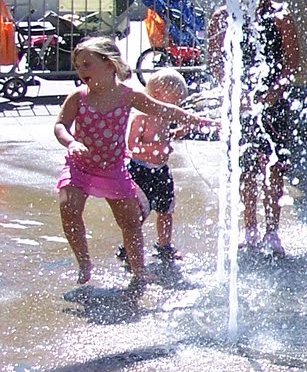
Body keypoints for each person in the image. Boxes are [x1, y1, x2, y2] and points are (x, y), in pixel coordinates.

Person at [55, 37, 210, 288]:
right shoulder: (79, 97)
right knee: (68, 209)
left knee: (130, 222)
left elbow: (164, 109)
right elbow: (60, 125)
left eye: (86, 64)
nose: (81, 71)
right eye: (78, 66)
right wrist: (71, 143)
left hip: (113, 170)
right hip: (80, 166)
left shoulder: (128, 96)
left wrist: (197, 120)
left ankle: (139, 270)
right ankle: (84, 263)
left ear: (109, 64)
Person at [207, 0, 302, 257]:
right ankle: (249, 228)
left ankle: (272, 230)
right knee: (246, 168)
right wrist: (235, 93)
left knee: (274, 167)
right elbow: (216, 62)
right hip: (241, 105)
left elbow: (291, 63)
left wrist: (273, 93)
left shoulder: (279, 15)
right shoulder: (223, 16)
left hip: (273, 103)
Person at [124, 67, 191, 266]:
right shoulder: (141, 117)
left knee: (166, 209)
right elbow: (132, 145)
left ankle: (164, 246)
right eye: (174, 100)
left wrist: (178, 133)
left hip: (161, 169)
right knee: (139, 212)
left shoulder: (165, 116)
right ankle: (129, 247)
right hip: (141, 170)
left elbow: (166, 137)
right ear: (155, 95)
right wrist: (156, 147)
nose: (177, 106)